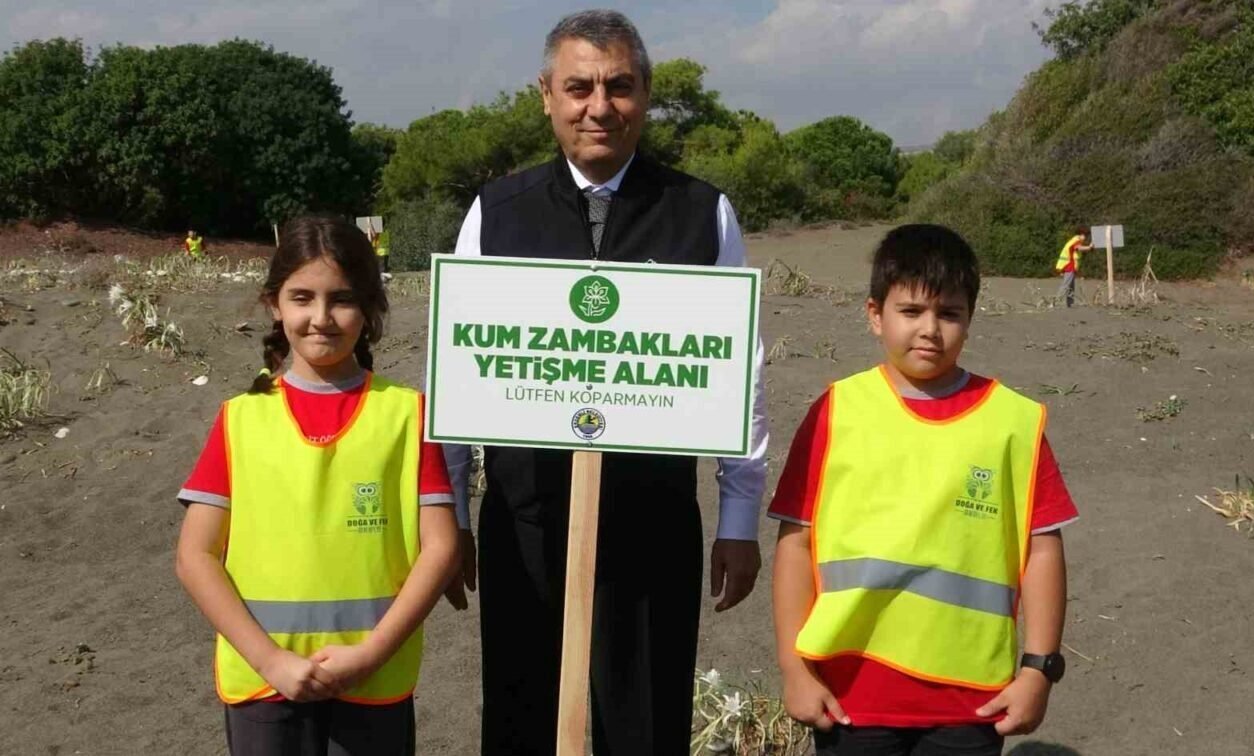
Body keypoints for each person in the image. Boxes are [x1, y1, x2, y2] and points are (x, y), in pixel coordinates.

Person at [439, 9, 769, 756]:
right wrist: (452, 514)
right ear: (546, 95)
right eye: (579, 87)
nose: (599, 107)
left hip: (652, 527)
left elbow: (739, 372)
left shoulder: (701, 213)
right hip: (527, 526)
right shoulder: (496, 214)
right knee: (521, 722)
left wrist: (739, 519)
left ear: (645, 94)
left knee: (645, 728)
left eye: (618, 86)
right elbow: (460, 369)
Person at [771, 224, 1078, 756]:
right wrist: (793, 668)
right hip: (849, 695)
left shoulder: (1013, 423)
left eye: (949, 313)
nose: (930, 329)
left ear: (970, 319)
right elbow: (796, 542)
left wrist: (1038, 669)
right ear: (875, 315)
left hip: (971, 701)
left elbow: (1042, 550)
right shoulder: (835, 411)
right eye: (911, 311)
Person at [174, 215, 460, 755]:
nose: (321, 318)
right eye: (302, 298)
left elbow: (441, 548)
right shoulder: (240, 418)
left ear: (370, 308)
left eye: (342, 299)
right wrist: (270, 660)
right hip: (265, 683)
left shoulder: (407, 414)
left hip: (373, 677)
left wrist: (370, 654)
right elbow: (195, 556)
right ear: (274, 305)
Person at [1054, 227, 1092, 307]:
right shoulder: (1076, 241)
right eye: (1085, 236)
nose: (1086, 238)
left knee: (1071, 285)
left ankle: (1070, 303)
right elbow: (1078, 248)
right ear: (1082, 234)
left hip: (1070, 266)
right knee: (1066, 284)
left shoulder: (1074, 240)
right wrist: (1089, 247)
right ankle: (1055, 302)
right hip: (1069, 265)